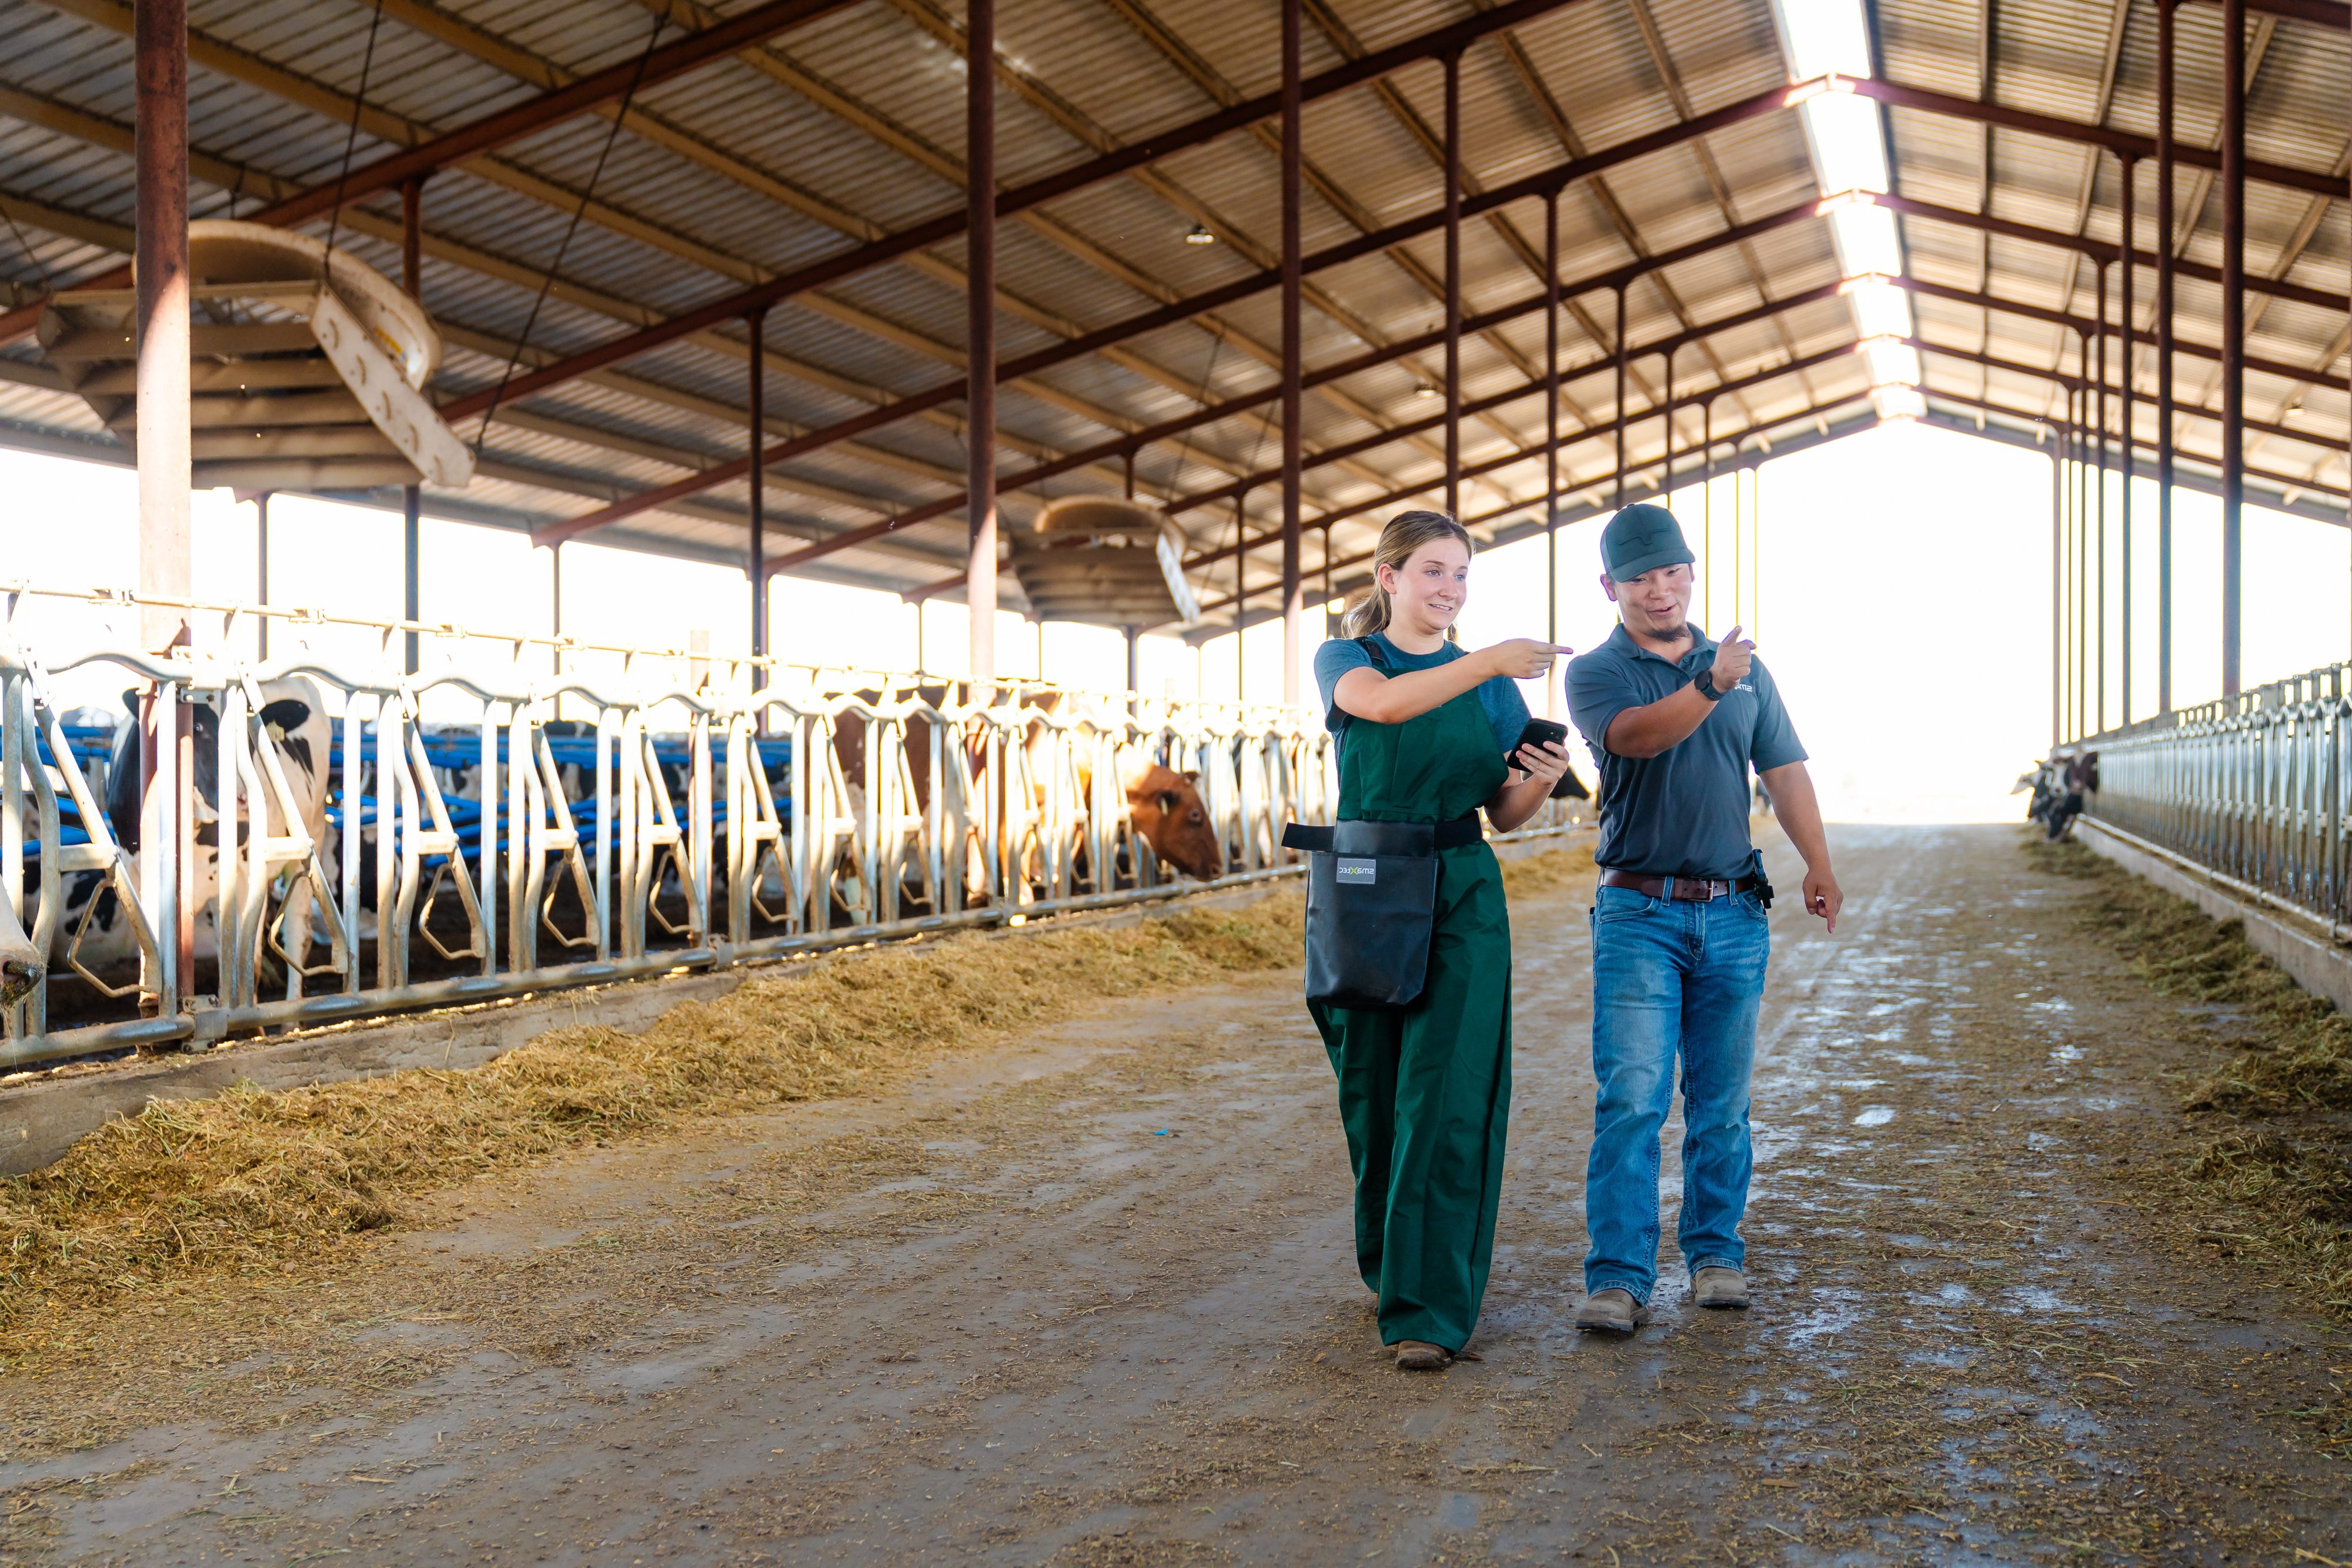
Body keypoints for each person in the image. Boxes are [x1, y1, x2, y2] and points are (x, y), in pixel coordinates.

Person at [1563, 502, 1842, 1335]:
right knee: (1633, 1099)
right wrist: (1713, 681)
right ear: (1610, 587)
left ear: (1691, 572)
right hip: (1638, 911)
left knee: (1721, 1101)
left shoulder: (1749, 671)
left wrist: (1818, 862)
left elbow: (1783, 771)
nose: (1660, 590)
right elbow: (1639, 738)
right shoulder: (1598, 673)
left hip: (1732, 911)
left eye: (1673, 572)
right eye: (1640, 578)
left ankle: (1716, 1255)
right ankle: (1620, 1278)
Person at [1311, 508, 1574, 1372]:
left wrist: (1538, 781)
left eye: (1461, 574)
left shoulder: (1492, 688)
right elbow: (1385, 708)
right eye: (1433, 570)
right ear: (1389, 578)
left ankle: (1428, 1311)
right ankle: (1391, 1267)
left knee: (1450, 1091)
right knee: (1372, 1090)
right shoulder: (1350, 660)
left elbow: (1503, 812)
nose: (1450, 588)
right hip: (1365, 888)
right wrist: (1489, 659)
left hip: (1461, 889)